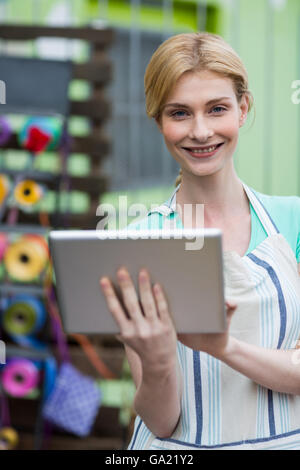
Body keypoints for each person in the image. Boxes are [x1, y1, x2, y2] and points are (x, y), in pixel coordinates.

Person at [99, 32, 300, 450]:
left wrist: (224, 347)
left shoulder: (293, 221)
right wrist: (155, 362)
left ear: (243, 109)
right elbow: (162, 422)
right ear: (158, 121)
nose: (201, 131)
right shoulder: (136, 242)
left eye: (217, 109)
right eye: (179, 113)